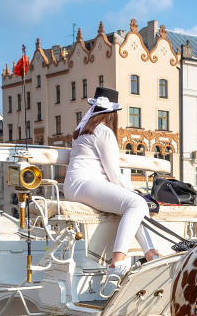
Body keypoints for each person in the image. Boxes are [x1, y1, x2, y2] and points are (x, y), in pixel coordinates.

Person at [64, 87, 159, 278]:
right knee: (137, 203)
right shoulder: (104, 132)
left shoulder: (82, 130)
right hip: (87, 183)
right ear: (112, 114)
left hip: (74, 185)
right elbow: (114, 174)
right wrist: (134, 192)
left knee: (133, 206)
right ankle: (117, 261)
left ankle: (152, 255)